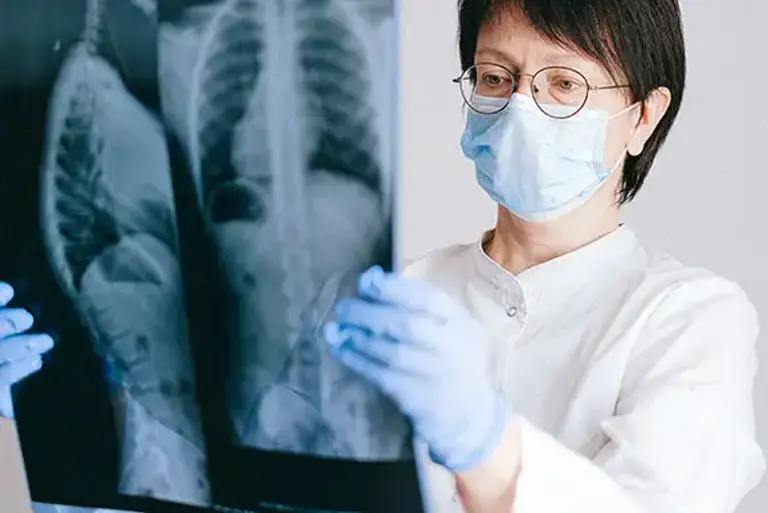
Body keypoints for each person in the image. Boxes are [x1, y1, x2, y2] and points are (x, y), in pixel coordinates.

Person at [1, 1, 764, 513]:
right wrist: (58, 409)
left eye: (563, 83)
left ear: (643, 116)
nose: (522, 107)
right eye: (497, 78)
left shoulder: (694, 319)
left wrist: (485, 441)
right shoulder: (390, 294)